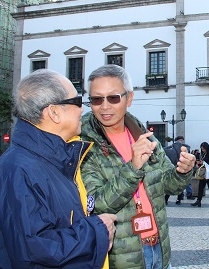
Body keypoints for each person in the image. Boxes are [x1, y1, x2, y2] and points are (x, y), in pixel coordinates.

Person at [0, 69, 117, 268]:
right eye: (77, 102)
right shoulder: (19, 170)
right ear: (54, 112)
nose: (82, 110)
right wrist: (98, 230)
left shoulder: (50, 160)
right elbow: (36, 252)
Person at [80, 65, 195, 269]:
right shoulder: (84, 144)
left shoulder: (141, 135)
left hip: (159, 247)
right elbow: (96, 204)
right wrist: (133, 167)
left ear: (129, 98)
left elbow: (170, 185)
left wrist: (182, 172)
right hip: (122, 257)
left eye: (113, 97)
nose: (104, 106)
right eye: (97, 99)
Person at [164, 136, 191, 205]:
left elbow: (163, 149)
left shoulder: (171, 149)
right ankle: (179, 199)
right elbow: (188, 147)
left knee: (171, 184)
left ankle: (166, 199)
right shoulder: (184, 149)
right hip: (180, 168)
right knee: (180, 185)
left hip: (173, 169)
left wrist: (171, 146)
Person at [191, 142, 209, 207]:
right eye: (202, 149)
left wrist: (203, 162)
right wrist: (199, 162)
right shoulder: (204, 154)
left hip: (208, 173)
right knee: (200, 187)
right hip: (203, 173)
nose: (202, 150)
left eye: (203, 149)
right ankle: (198, 201)